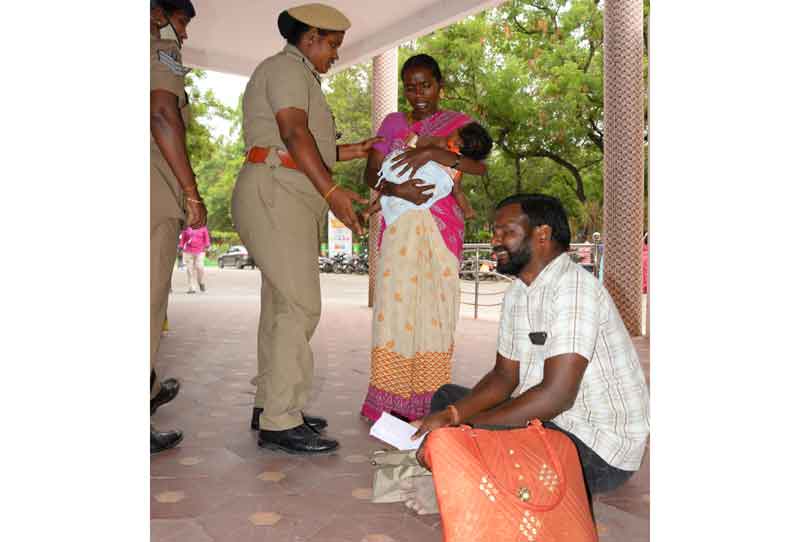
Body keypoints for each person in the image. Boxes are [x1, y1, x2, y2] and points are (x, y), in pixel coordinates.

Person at [412, 193, 650, 502]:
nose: (495, 241)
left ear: (543, 235)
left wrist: (463, 425)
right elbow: (502, 378)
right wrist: (454, 414)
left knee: (465, 428)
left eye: (507, 232)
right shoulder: (518, 293)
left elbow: (557, 396)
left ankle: (464, 473)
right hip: (551, 421)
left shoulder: (574, 289)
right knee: (447, 397)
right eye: (494, 232)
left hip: (596, 449)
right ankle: (463, 466)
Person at [232, 3, 381, 454]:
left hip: (285, 190)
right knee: (300, 306)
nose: (335, 54)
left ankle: (272, 405)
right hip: (276, 190)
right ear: (310, 37)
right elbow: (295, 134)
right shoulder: (286, 68)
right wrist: (334, 192)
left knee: (281, 306)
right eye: (332, 44)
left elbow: (308, 145)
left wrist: (357, 150)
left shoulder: (296, 75)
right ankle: (281, 420)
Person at [360, 54, 489, 423]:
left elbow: (478, 166)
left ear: (440, 85)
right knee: (395, 311)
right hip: (399, 226)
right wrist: (397, 191)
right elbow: (372, 174)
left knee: (435, 312)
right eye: (411, 86)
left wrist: (432, 151)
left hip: (442, 230)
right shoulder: (392, 124)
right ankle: (388, 400)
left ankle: (430, 401)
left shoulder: (458, 124)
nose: (419, 94)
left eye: (426, 85)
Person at [150, 0, 207, 453]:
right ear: (157, 12)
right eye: (182, 21)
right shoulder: (160, 47)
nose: (183, 35)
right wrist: (191, 192)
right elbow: (163, 114)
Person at [370, 121, 492, 226]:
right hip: (411, 170)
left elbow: (457, 191)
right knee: (396, 185)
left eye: (462, 145)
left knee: (403, 199)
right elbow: (417, 142)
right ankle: (371, 209)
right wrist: (413, 142)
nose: (456, 143)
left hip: (423, 189)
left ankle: (373, 210)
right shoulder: (440, 142)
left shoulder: (457, 167)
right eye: (458, 136)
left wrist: (467, 210)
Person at [179, 224, 210, 293]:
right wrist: (181, 247)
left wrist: (207, 246)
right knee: (190, 270)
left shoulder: (203, 227)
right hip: (188, 251)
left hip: (200, 251)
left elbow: (206, 238)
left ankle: (200, 282)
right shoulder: (186, 227)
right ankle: (191, 288)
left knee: (199, 267)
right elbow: (183, 238)